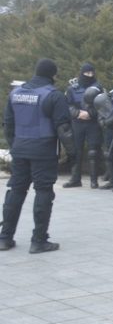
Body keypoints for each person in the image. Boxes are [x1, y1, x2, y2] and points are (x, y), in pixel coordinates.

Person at [1, 59, 71, 253]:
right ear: (52, 75)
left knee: (15, 191)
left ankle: (5, 238)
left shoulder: (15, 93)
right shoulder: (53, 95)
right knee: (43, 192)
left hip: (20, 148)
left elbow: (8, 125)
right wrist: (72, 153)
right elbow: (64, 128)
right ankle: (39, 240)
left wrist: (15, 146)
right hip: (44, 149)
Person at [63, 63, 102, 189]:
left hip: (92, 122)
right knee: (76, 151)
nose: (90, 75)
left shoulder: (98, 88)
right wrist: (77, 113)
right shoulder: (72, 88)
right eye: (87, 73)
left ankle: (94, 180)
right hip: (77, 121)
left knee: (93, 151)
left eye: (92, 73)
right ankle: (75, 179)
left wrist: (90, 113)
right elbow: (67, 105)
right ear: (82, 73)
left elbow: (103, 105)